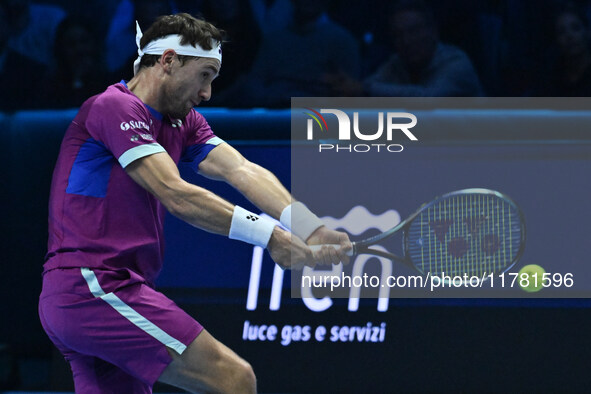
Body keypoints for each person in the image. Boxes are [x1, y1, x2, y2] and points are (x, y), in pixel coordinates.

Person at [38, 13, 350, 393]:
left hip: (92, 295)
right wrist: (270, 235)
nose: (207, 94)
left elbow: (241, 170)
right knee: (234, 379)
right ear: (168, 61)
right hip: (95, 286)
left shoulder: (180, 122)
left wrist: (310, 228)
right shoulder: (113, 107)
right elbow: (176, 194)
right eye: (204, 76)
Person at [327, 0, 484, 97]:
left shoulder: (457, 63)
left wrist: (365, 89)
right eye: (398, 35)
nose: (406, 41)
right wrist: (345, 85)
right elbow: (369, 85)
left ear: (433, 31)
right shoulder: (397, 63)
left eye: (414, 31)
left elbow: (427, 98)